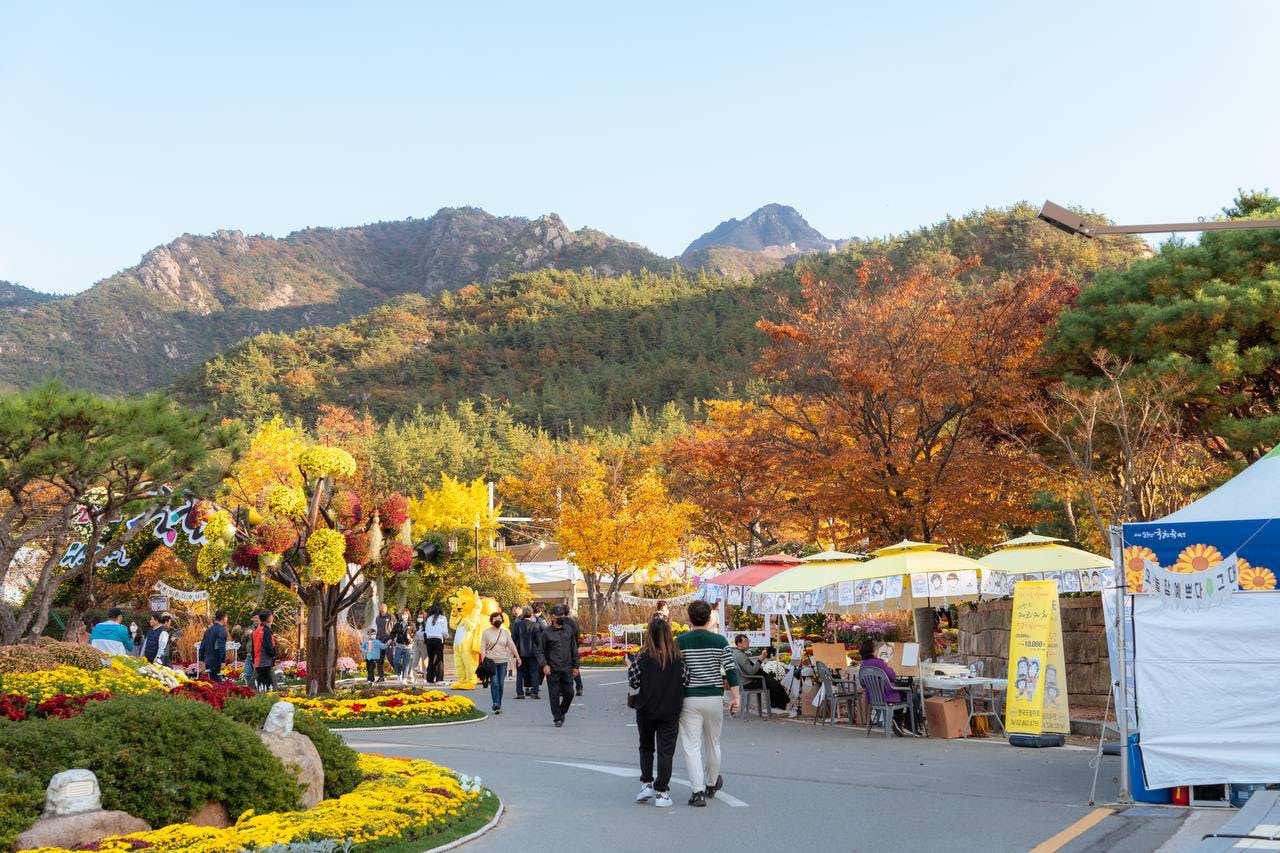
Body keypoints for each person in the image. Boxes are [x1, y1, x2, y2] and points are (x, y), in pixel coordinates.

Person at [676, 600, 740, 807]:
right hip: (714, 697)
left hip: (689, 698)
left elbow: (674, 669)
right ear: (710, 618)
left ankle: (698, 792)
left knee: (691, 746)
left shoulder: (681, 641)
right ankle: (712, 783)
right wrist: (736, 698)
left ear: (689, 618)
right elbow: (730, 670)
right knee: (713, 743)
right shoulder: (720, 641)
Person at [628, 618, 688, 809]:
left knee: (646, 747)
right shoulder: (677, 658)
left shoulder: (643, 656)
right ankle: (662, 792)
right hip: (670, 710)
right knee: (666, 751)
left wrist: (629, 664)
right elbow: (686, 680)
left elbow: (634, 681)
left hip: (646, 708)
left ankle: (646, 784)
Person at [858, 638, 919, 736]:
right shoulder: (879, 663)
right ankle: (908, 724)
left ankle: (897, 722)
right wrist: (888, 666)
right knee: (913, 696)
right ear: (873, 650)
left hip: (873, 698)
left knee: (903, 694)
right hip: (887, 696)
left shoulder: (863, 665)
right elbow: (893, 676)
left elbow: (863, 683)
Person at [535, 605, 580, 728]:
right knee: (554, 695)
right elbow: (540, 652)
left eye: (562, 616)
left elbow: (574, 649)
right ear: (552, 618)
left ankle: (562, 711)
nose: (561, 618)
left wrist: (576, 666)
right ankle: (557, 718)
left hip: (567, 668)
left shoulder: (568, 630)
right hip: (552, 669)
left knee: (570, 693)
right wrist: (544, 665)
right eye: (558, 616)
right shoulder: (546, 633)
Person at [732, 634, 789, 712]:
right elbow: (751, 672)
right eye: (745, 641)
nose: (748, 643)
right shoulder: (740, 655)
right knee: (773, 683)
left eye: (748, 641)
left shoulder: (735, 653)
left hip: (743, 682)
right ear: (739, 644)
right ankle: (779, 707)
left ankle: (776, 707)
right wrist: (760, 660)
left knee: (771, 681)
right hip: (748, 683)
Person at [479, 611, 521, 714]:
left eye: (499, 618)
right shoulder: (486, 632)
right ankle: (495, 704)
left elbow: (512, 645)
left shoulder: (505, 633)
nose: (497, 620)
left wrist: (518, 657)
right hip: (490, 662)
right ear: (491, 621)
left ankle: (499, 704)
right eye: (495, 618)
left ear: (502, 620)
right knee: (495, 683)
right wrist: (483, 659)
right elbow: (483, 647)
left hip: (503, 661)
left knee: (501, 685)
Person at [512, 606, 541, 699]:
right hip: (533, 652)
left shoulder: (517, 625)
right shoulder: (535, 625)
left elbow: (513, 639)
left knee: (520, 673)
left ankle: (520, 693)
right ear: (531, 614)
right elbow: (538, 640)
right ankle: (534, 693)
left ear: (523, 614)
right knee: (534, 672)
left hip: (520, 652)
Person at [201, 611, 229, 682]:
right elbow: (221, 646)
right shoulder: (221, 630)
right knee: (217, 683)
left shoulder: (208, 630)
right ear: (223, 618)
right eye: (226, 617)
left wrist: (201, 659)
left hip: (208, 659)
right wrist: (222, 660)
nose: (227, 619)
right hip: (216, 660)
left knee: (210, 681)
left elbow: (202, 645)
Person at [252, 610, 277, 692]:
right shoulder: (266, 631)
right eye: (271, 616)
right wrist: (274, 654)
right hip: (265, 661)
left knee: (260, 684)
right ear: (268, 618)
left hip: (258, 661)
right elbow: (268, 646)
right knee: (266, 686)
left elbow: (253, 647)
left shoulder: (257, 630)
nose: (272, 617)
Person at [422, 605, 447, 684]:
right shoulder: (443, 618)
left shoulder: (429, 618)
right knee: (439, 660)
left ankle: (429, 679)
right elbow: (445, 632)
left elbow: (426, 631)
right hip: (438, 640)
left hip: (429, 640)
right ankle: (439, 679)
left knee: (431, 660)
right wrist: (446, 636)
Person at [563, 608, 584, 697]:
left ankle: (564, 689)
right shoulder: (574, 622)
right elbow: (578, 635)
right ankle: (579, 686)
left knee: (563, 668)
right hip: (573, 647)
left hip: (563, 648)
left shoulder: (561, 622)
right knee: (574, 667)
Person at [391, 609, 413, 681]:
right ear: (401, 616)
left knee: (406, 664)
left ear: (408, 615)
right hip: (399, 645)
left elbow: (415, 633)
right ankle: (398, 674)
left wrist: (412, 639)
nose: (404, 616)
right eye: (403, 614)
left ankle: (404, 679)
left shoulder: (411, 624)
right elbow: (393, 633)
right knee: (396, 661)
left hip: (408, 646)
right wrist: (393, 639)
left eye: (406, 614)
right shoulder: (397, 624)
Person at [374, 602, 393, 682]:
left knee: (390, 658)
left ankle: (400, 673)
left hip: (388, 640)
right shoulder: (377, 618)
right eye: (381, 607)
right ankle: (381, 676)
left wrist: (391, 638)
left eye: (384, 607)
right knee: (379, 660)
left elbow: (394, 628)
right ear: (380, 608)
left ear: (386, 608)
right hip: (379, 641)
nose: (383, 608)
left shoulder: (390, 616)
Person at [411, 609, 430, 682]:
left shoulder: (427, 626)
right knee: (415, 661)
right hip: (416, 643)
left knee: (425, 662)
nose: (420, 618)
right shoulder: (415, 625)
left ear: (424, 618)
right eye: (419, 617)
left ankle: (425, 677)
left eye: (421, 617)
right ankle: (414, 678)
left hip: (424, 644)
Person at [242, 612, 260, 686]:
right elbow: (243, 641)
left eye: (257, 617)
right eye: (254, 618)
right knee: (247, 673)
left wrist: (252, 633)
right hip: (249, 654)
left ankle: (260, 689)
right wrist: (245, 636)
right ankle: (250, 690)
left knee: (258, 674)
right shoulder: (250, 627)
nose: (255, 619)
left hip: (257, 655)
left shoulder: (262, 627)